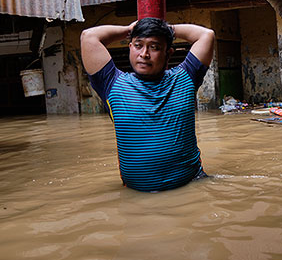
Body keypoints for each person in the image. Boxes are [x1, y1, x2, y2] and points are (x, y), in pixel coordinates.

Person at [80, 17, 215, 191]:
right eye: (138, 45)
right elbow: (88, 36)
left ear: (168, 53)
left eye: (155, 47)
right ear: (130, 48)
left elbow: (207, 35)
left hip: (193, 186)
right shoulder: (111, 83)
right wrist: (129, 30)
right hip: (138, 197)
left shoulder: (186, 77)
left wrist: (168, 28)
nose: (144, 54)